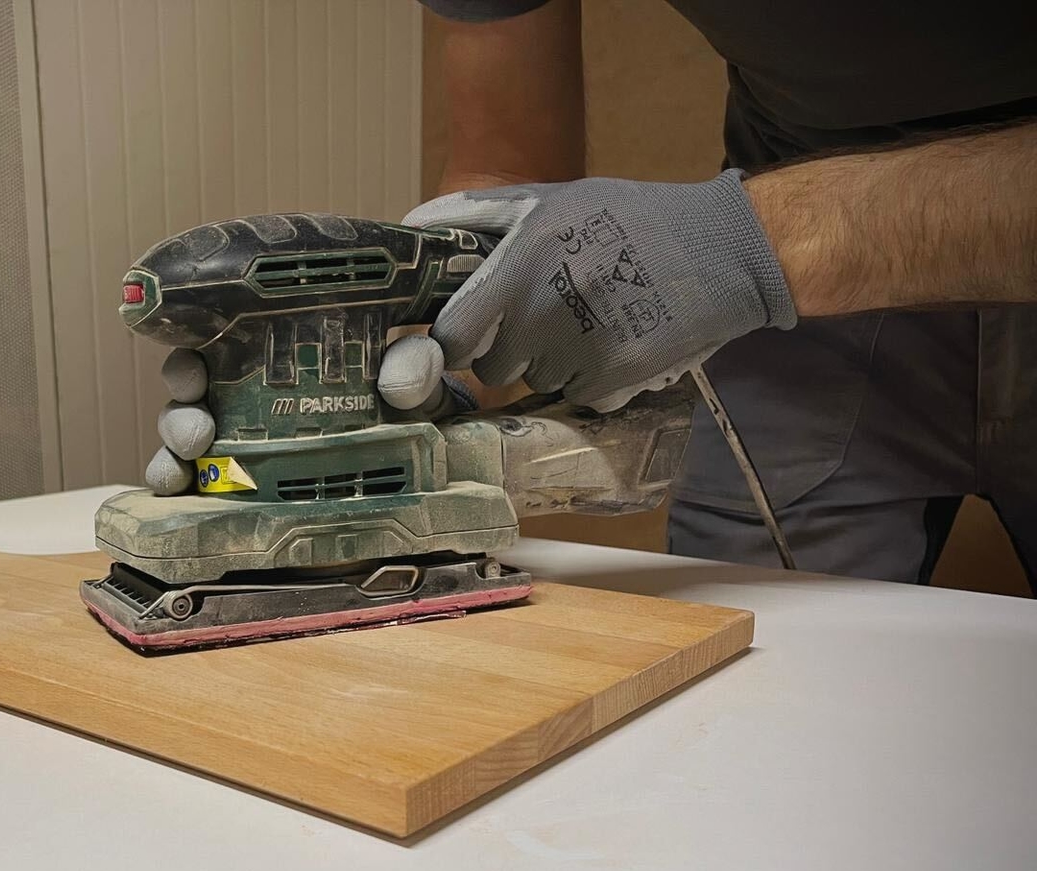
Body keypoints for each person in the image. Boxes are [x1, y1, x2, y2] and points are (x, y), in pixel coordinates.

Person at [147, 0, 1036, 589]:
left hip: (773, 245)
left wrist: (752, 243)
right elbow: (507, 171)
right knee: (761, 701)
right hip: (795, 292)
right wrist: (413, 422)